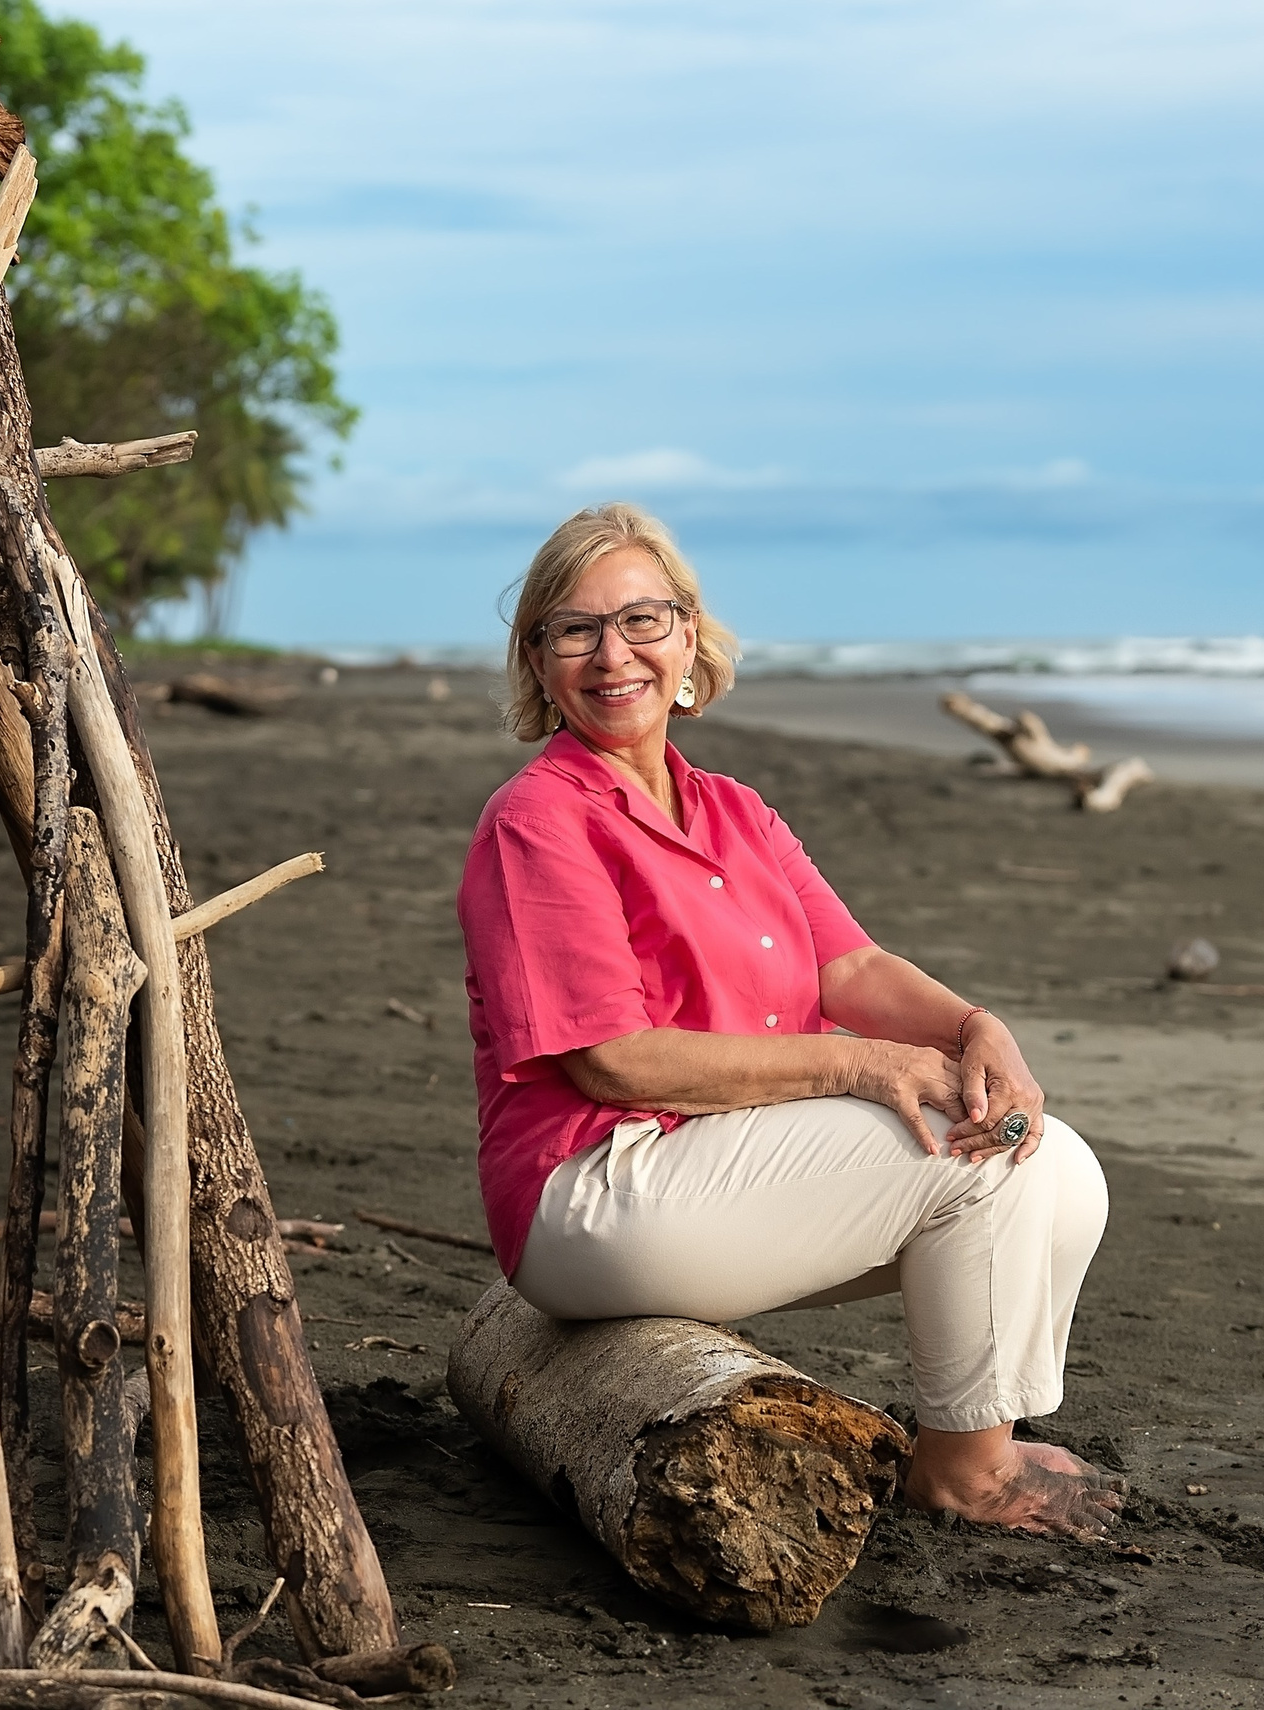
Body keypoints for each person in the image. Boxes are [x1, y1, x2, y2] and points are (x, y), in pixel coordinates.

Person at [457, 502, 1116, 1538]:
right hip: (592, 1189)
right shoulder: (538, 820)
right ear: (537, 661)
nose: (612, 653)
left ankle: (976, 1430)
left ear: (687, 637)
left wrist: (974, 1027)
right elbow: (613, 1062)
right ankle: (963, 1469)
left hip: (713, 1162)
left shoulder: (732, 808)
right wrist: (860, 1070)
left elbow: (849, 965)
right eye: (573, 630)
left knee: (1055, 1163)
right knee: (963, 1154)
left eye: (642, 619)